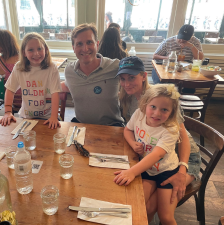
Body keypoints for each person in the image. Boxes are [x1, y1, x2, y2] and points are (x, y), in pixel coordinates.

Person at [117, 56, 201, 223]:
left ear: (143, 76)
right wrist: (134, 143)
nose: (126, 83)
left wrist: (182, 170)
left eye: (132, 77)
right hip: (152, 161)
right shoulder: (129, 100)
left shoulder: (163, 98)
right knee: (140, 205)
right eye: (123, 79)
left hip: (182, 158)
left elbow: (182, 138)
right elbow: (131, 129)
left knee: (156, 211)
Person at [115, 84, 181, 224]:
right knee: (138, 206)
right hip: (146, 170)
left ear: (172, 112)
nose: (157, 114)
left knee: (166, 217)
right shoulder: (139, 114)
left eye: (164, 110)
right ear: (145, 104)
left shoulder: (171, 129)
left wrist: (132, 172)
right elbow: (127, 130)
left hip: (166, 172)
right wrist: (133, 143)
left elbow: (156, 155)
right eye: (153, 107)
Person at [60, 23, 124, 126]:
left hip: (112, 126)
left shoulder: (115, 66)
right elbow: (66, 85)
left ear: (97, 44)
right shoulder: (69, 71)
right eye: (79, 44)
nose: (85, 49)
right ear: (73, 48)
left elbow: (136, 84)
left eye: (89, 42)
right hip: (82, 126)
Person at [0, 32, 61, 129]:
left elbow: (55, 93)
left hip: (47, 117)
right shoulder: (19, 67)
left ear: (46, 49)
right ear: (24, 52)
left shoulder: (52, 68)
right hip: (26, 116)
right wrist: (7, 112)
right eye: (31, 50)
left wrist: (54, 116)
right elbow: (10, 90)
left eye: (40, 49)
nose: (36, 53)